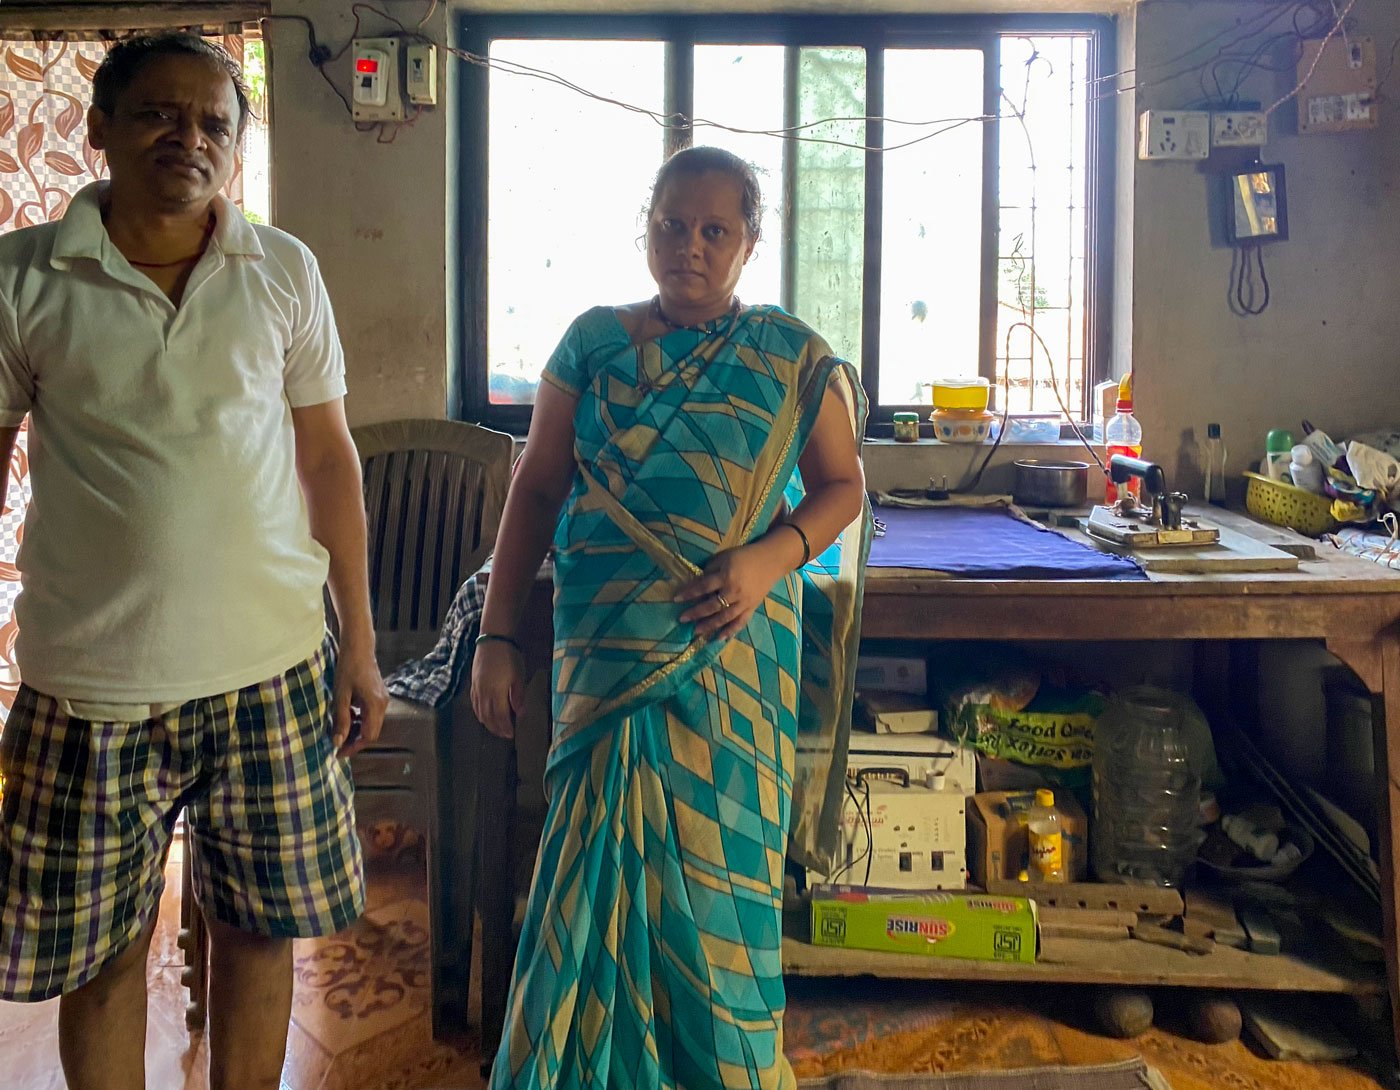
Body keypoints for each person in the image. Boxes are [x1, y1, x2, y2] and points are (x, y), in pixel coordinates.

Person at [0, 33, 386, 1090]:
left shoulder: (283, 270)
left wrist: (358, 644)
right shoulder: (22, 278)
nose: (190, 138)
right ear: (100, 128)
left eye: (215, 121)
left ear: (237, 144)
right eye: (159, 114)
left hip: (271, 669)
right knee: (102, 957)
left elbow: (328, 460)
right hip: (92, 686)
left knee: (259, 933)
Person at [471, 145, 871, 1090]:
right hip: (607, 653)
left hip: (733, 656)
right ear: (645, 229)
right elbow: (537, 489)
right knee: (588, 876)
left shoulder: (789, 356)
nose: (689, 246)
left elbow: (844, 487)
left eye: (714, 230)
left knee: (719, 883)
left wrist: (769, 559)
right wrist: (495, 635)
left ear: (750, 242)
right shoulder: (591, 344)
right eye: (671, 225)